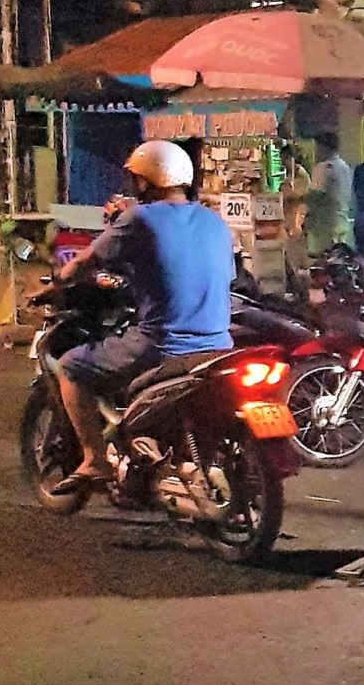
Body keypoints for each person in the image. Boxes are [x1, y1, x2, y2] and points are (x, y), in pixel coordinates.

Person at [52, 141, 234, 487]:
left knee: (71, 367)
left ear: (144, 181)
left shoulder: (139, 218)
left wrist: (60, 279)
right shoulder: (214, 221)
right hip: (219, 345)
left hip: (163, 346)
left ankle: (94, 459)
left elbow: (86, 261)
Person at [303, 130, 355, 256]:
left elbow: (314, 197)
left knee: (322, 262)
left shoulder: (323, 168)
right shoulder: (345, 167)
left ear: (323, 147)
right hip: (343, 224)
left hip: (324, 228)